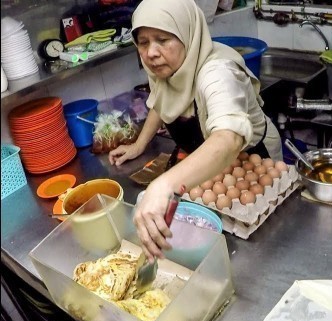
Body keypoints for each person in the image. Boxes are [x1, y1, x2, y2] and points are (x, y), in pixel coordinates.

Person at [108, 0, 282, 260]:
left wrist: (164, 184)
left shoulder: (217, 71)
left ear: (187, 34)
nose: (151, 52)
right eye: (143, 42)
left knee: (259, 243)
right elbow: (161, 100)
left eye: (163, 39)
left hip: (252, 154)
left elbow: (228, 138)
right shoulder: (166, 67)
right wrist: (138, 145)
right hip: (212, 161)